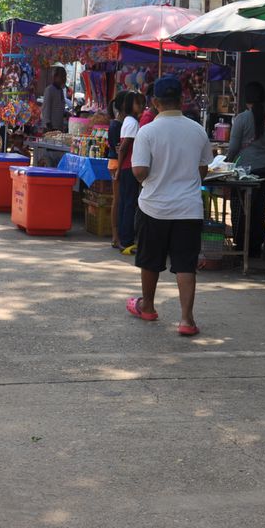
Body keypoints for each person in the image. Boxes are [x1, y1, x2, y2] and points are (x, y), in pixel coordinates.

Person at [127, 76, 213, 336]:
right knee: (185, 264)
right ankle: (187, 320)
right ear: (182, 100)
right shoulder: (197, 129)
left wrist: (153, 173)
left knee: (150, 260)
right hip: (188, 208)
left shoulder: (148, 131)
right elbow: (203, 168)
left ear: (155, 102)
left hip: (154, 206)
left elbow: (140, 171)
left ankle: (148, 307)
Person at [227, 82, 265, 258]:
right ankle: (255, 247)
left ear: (246, 99)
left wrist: (226, 161)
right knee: (260, 208)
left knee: (242, 207)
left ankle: (241, 244)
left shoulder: (241, 119)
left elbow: (233, 147)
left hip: (245, 171)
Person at [116, 89, 146, 255]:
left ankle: (123, 238)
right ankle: (126, 240)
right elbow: (124, 147)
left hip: (127, 167)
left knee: (125, 204)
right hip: (129, 168)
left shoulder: (129, 121)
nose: (141, 106)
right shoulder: (132, 123)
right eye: (137, 103)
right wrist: (120, 169)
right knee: (128, 204)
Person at [106, 93, 124, 248]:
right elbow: (118, 149)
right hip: (116, 163)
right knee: (117, 200)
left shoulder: (116, 124)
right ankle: (115, 235)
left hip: (116, 162)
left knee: (118, 200)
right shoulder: (116, 125)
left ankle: (117, 235)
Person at [42, 66, 67, 132]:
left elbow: (58, 107)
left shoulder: (60, 90)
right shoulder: (49, 90)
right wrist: (48, 124)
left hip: (58, 127)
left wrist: (66, 113)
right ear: (55, 77)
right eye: (61, 76)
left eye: (65, 76)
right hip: (50, 127)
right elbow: (46, 109)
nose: (64, 79)